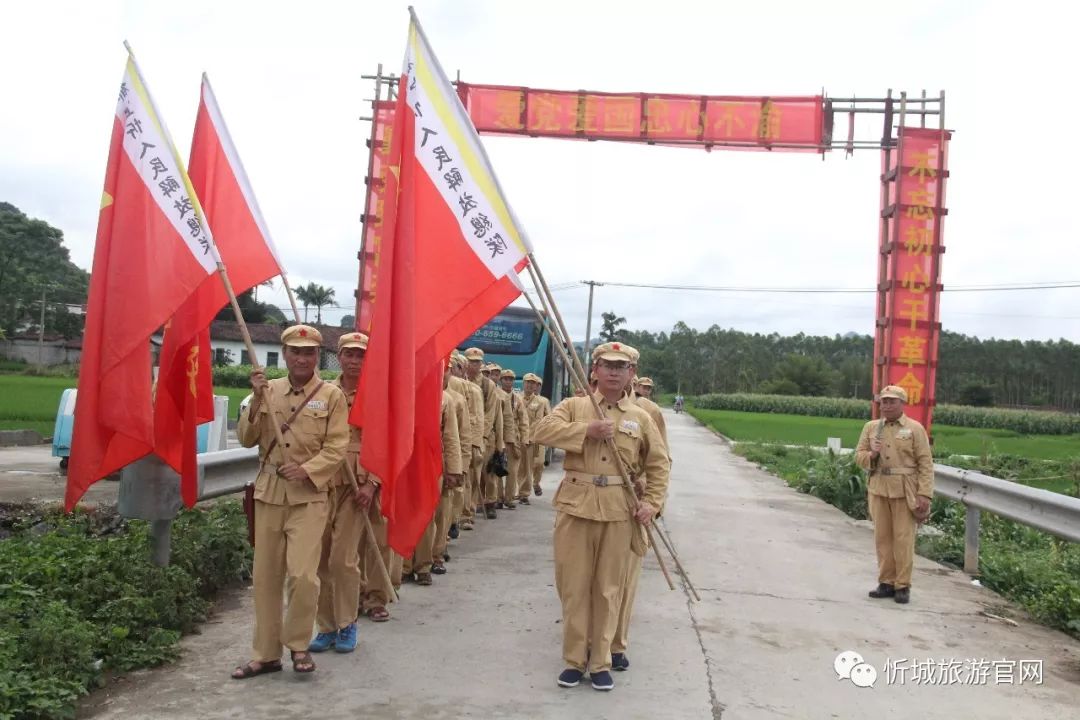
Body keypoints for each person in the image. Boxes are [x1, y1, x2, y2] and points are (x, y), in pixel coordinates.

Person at [531, 342, 670, 692]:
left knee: (609, 590)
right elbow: (540, 432)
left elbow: (658, 463)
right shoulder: (576, 406)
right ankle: (574, 660)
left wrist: (652, 503)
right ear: (594, 370)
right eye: (606, 364)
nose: (612, 371)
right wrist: (585, 431)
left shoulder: (640, 417)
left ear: (631, 374)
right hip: (576, 506)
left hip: (619, 510)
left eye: (620, 366)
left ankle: (601, 661)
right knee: (574, 587)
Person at [231, 324, 348, 679]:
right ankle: (266, 654)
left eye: (309, 352)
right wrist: (253, 404)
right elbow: (246, 440)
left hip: (309, 498)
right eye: (295, 351)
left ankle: (298, 645)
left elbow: (338, 446)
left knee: (302, 576)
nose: (302, 357)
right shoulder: (266, 390)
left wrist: (309, 469)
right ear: (284, 354)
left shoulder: (331, 395)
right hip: (269, 493)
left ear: (318, 356)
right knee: (266, 577)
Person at [308, 332, 370, 654]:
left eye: (361, 355)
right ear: (339, 356)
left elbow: (382, 443)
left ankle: (348, 623)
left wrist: (372, 483)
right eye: (349, 354)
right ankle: (327, 626)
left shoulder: (374, 395)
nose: (354, 361)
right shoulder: (323, 392)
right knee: (319, 557)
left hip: (357, 484)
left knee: (343, 559)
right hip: (323, 480)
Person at [854, 385, 934, 604]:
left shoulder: (914, 429)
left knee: (903, 538)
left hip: (905, 489)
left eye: (891, 402)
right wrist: (872, 454)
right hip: (879, 487)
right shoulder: (871, 427)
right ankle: (886, 582)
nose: (886, 406)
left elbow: (925, 463)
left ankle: (902, 585)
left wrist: (925, 493)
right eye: (884, 402)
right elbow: (858, 456)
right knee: (882, 538)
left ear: (902, 403)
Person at [464, 348, 503, 520]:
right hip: (462, 435)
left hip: (483, 437)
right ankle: (464, 512)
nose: (475, 365)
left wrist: (481, 436)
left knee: (483, 474)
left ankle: (481, 506)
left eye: (478, 362)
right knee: (466, 476)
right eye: (472, 361)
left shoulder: (488, 385)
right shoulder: (459, 381)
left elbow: (490, 414)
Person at [498, 368, 530, 508]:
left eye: (511, 379)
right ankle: (498, 498)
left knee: (512, 469)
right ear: (501, 380)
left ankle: (509, 498)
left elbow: (523, 420)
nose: (508, 381)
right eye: (505, 379)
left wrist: (524, 438)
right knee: (497, 468)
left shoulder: (517, 399)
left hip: (514, 438)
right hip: (498, 436)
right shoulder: (496, 395)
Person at [521, 372, 551, 498]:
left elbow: (548, 418)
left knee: (539, 463)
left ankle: (535, 482)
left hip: (537, 438)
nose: (534, 386)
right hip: (521, 437)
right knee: (523, 467)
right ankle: (523, 492)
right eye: (530, 383)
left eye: (537, 384)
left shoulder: (543, 401)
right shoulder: (518, 398)